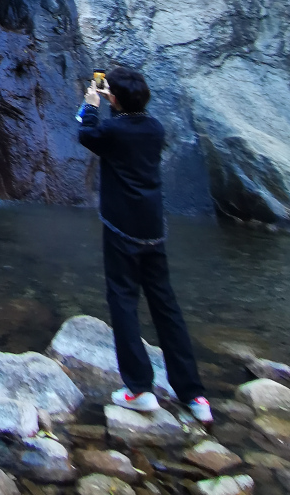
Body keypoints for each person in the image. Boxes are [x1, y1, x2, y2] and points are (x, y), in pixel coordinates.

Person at [78, 66, 213, 424]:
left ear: (115, 98)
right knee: (166, 306)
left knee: (123, 301)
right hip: (154, 231)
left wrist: (92, 102)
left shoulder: (111, 128)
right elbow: (125, 127)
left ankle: (139, 389)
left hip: (121, 228)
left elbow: (86, 133)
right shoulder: (155, 129)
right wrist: (113, 102)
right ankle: (194, 395)